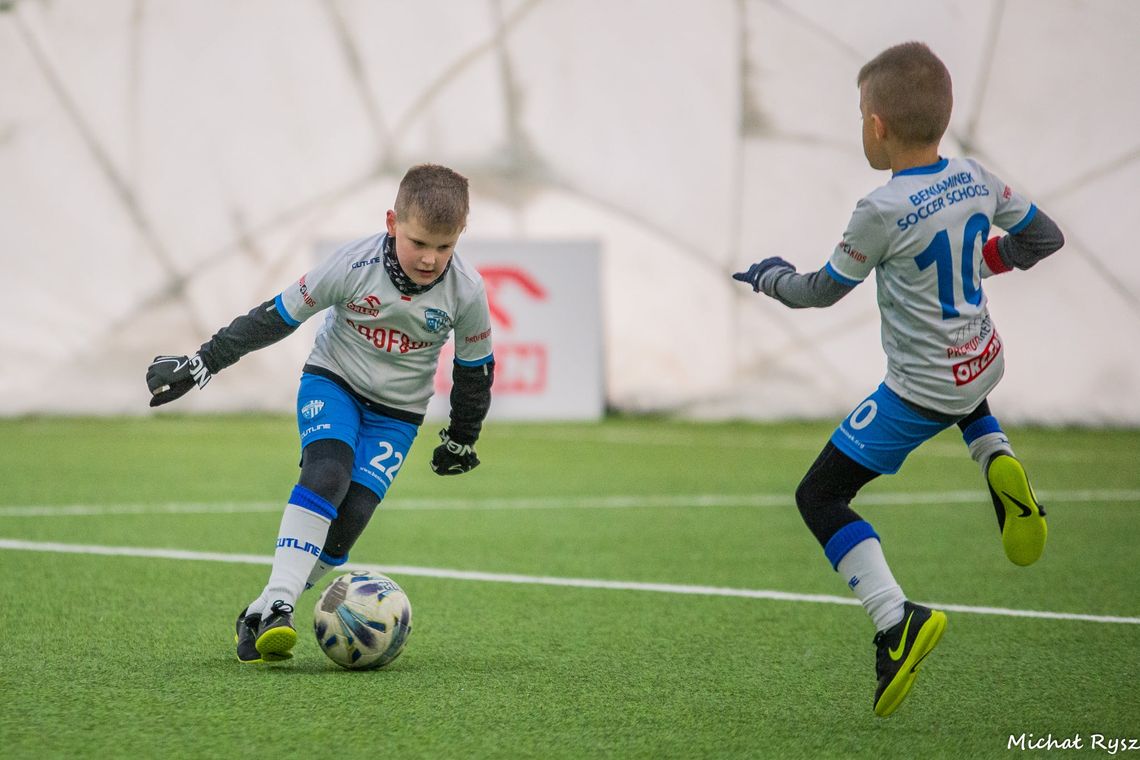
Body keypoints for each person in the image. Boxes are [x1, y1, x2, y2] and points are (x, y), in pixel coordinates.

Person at [733, 42, 1064, 717]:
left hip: (923, 388)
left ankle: (896, 621)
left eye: (861, 114)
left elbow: (821, 291)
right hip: (982, 358)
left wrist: (769, 278)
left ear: (877, 125)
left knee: (819, 495)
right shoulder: (976, 178)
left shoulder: (881, 209)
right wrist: (981, 260)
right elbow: (1043, 240)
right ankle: (994, 454)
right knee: (965, 384)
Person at [146, 164, 495, 664]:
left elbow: (474, 368)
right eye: (419, 242)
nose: (430, 259)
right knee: (328, 472)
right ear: (392, 222)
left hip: (397, 414)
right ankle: (282, 605)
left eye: (445, 247)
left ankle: (260, 610)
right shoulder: (351, 265)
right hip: (334, 382)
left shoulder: (467, 291)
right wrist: (205, 361)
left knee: (351, 518)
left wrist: (463, 435)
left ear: (461, 235)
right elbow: (276, 317)